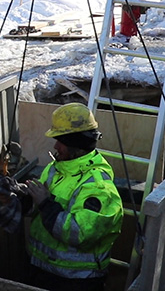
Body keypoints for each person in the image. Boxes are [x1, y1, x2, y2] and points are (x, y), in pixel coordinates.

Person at [24, 103, 123, 291]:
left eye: (60, 140)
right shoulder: (57, 168)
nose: (55, 145)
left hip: (76, 280)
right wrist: (21, 201)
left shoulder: (98, 187)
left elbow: (78, 233)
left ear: (75, 144)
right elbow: (37, 205)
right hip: (41, 269)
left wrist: (45, 203)